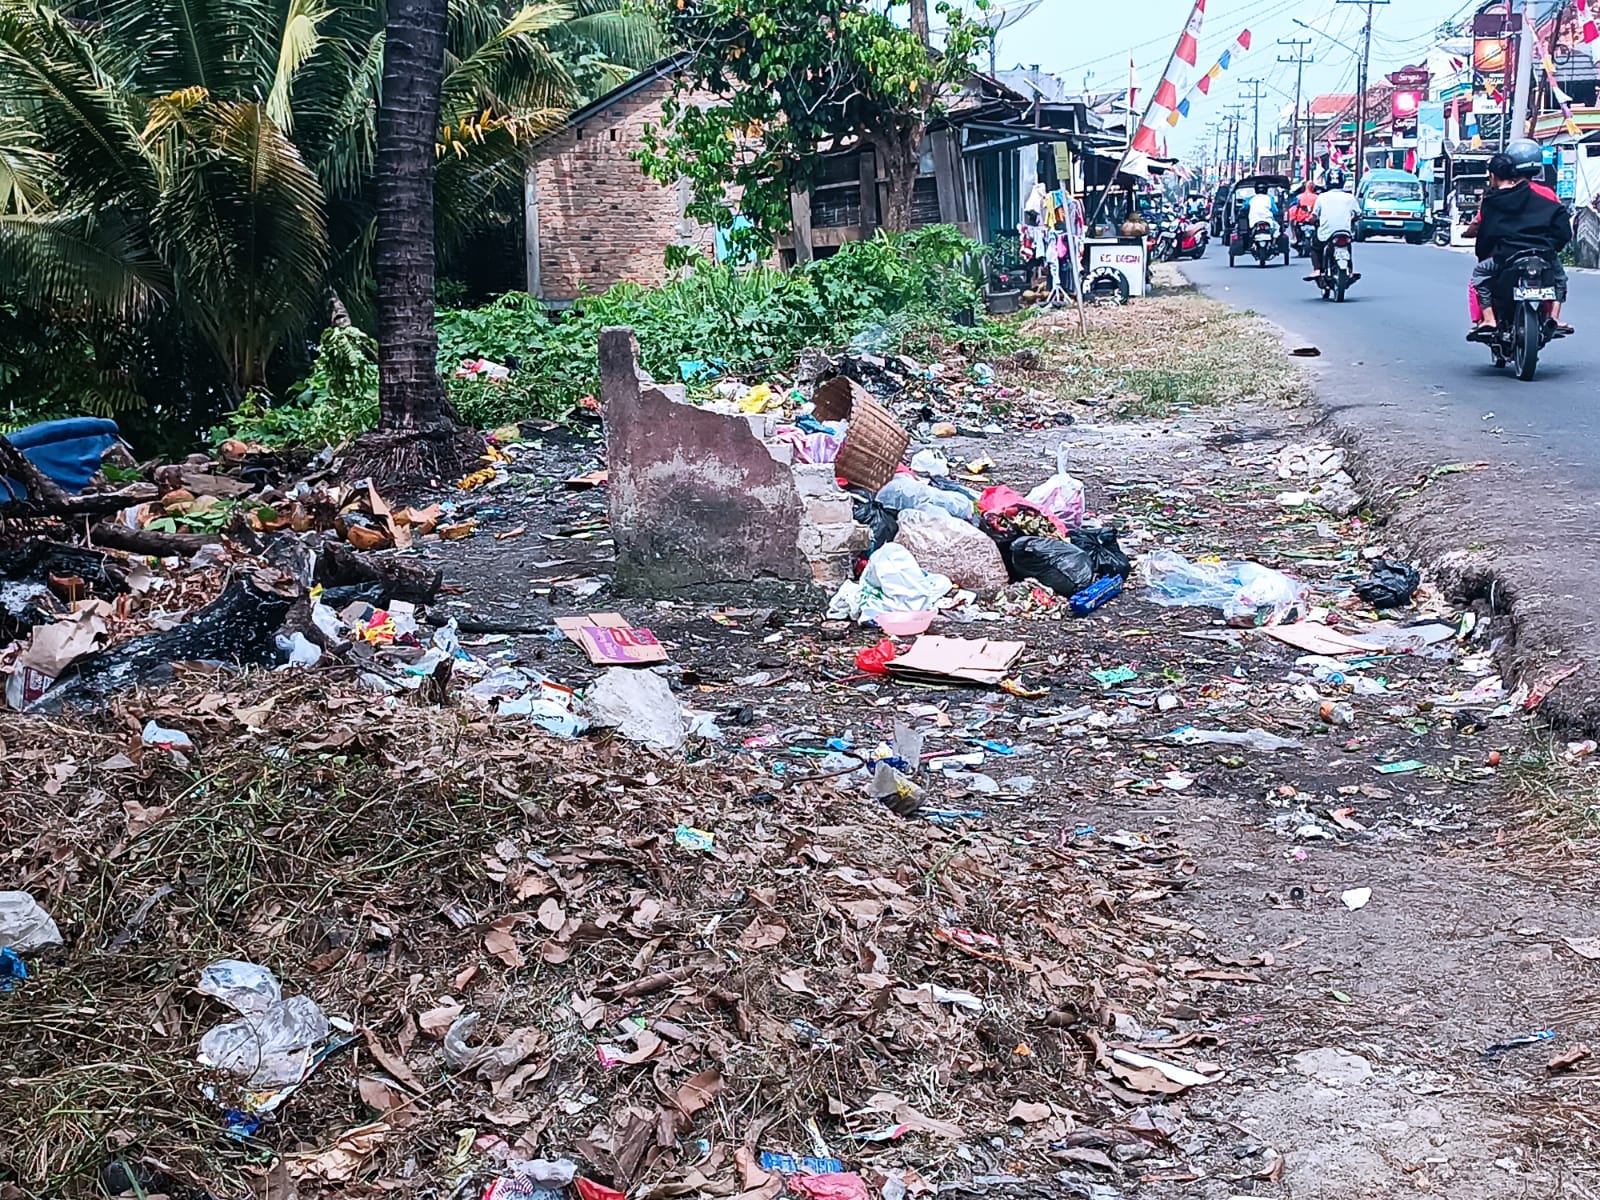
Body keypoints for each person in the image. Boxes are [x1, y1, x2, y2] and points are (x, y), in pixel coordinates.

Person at [1467, 146, 1573, 340]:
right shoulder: (1546, 196)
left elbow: (1486, 230)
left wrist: (1486, 251)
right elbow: (1563, 229)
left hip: (1508, 254)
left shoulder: (1497, 198)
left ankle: (1489, 319)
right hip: (1543, 252)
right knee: (1560, 279)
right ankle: (1555, 317)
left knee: (1480, 273)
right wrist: (1550, 247)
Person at [1305, 176, 1359, 280]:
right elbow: (1358, 214)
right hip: (1345, 231)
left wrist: (1309, 220)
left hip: (1326, 232)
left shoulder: (1321, 197)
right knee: (1347, 246)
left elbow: (1314, 215)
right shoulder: (1350, 197)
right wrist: (1352, 220)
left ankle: (1317, 269)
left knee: (1314, 246)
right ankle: (1350, 270)